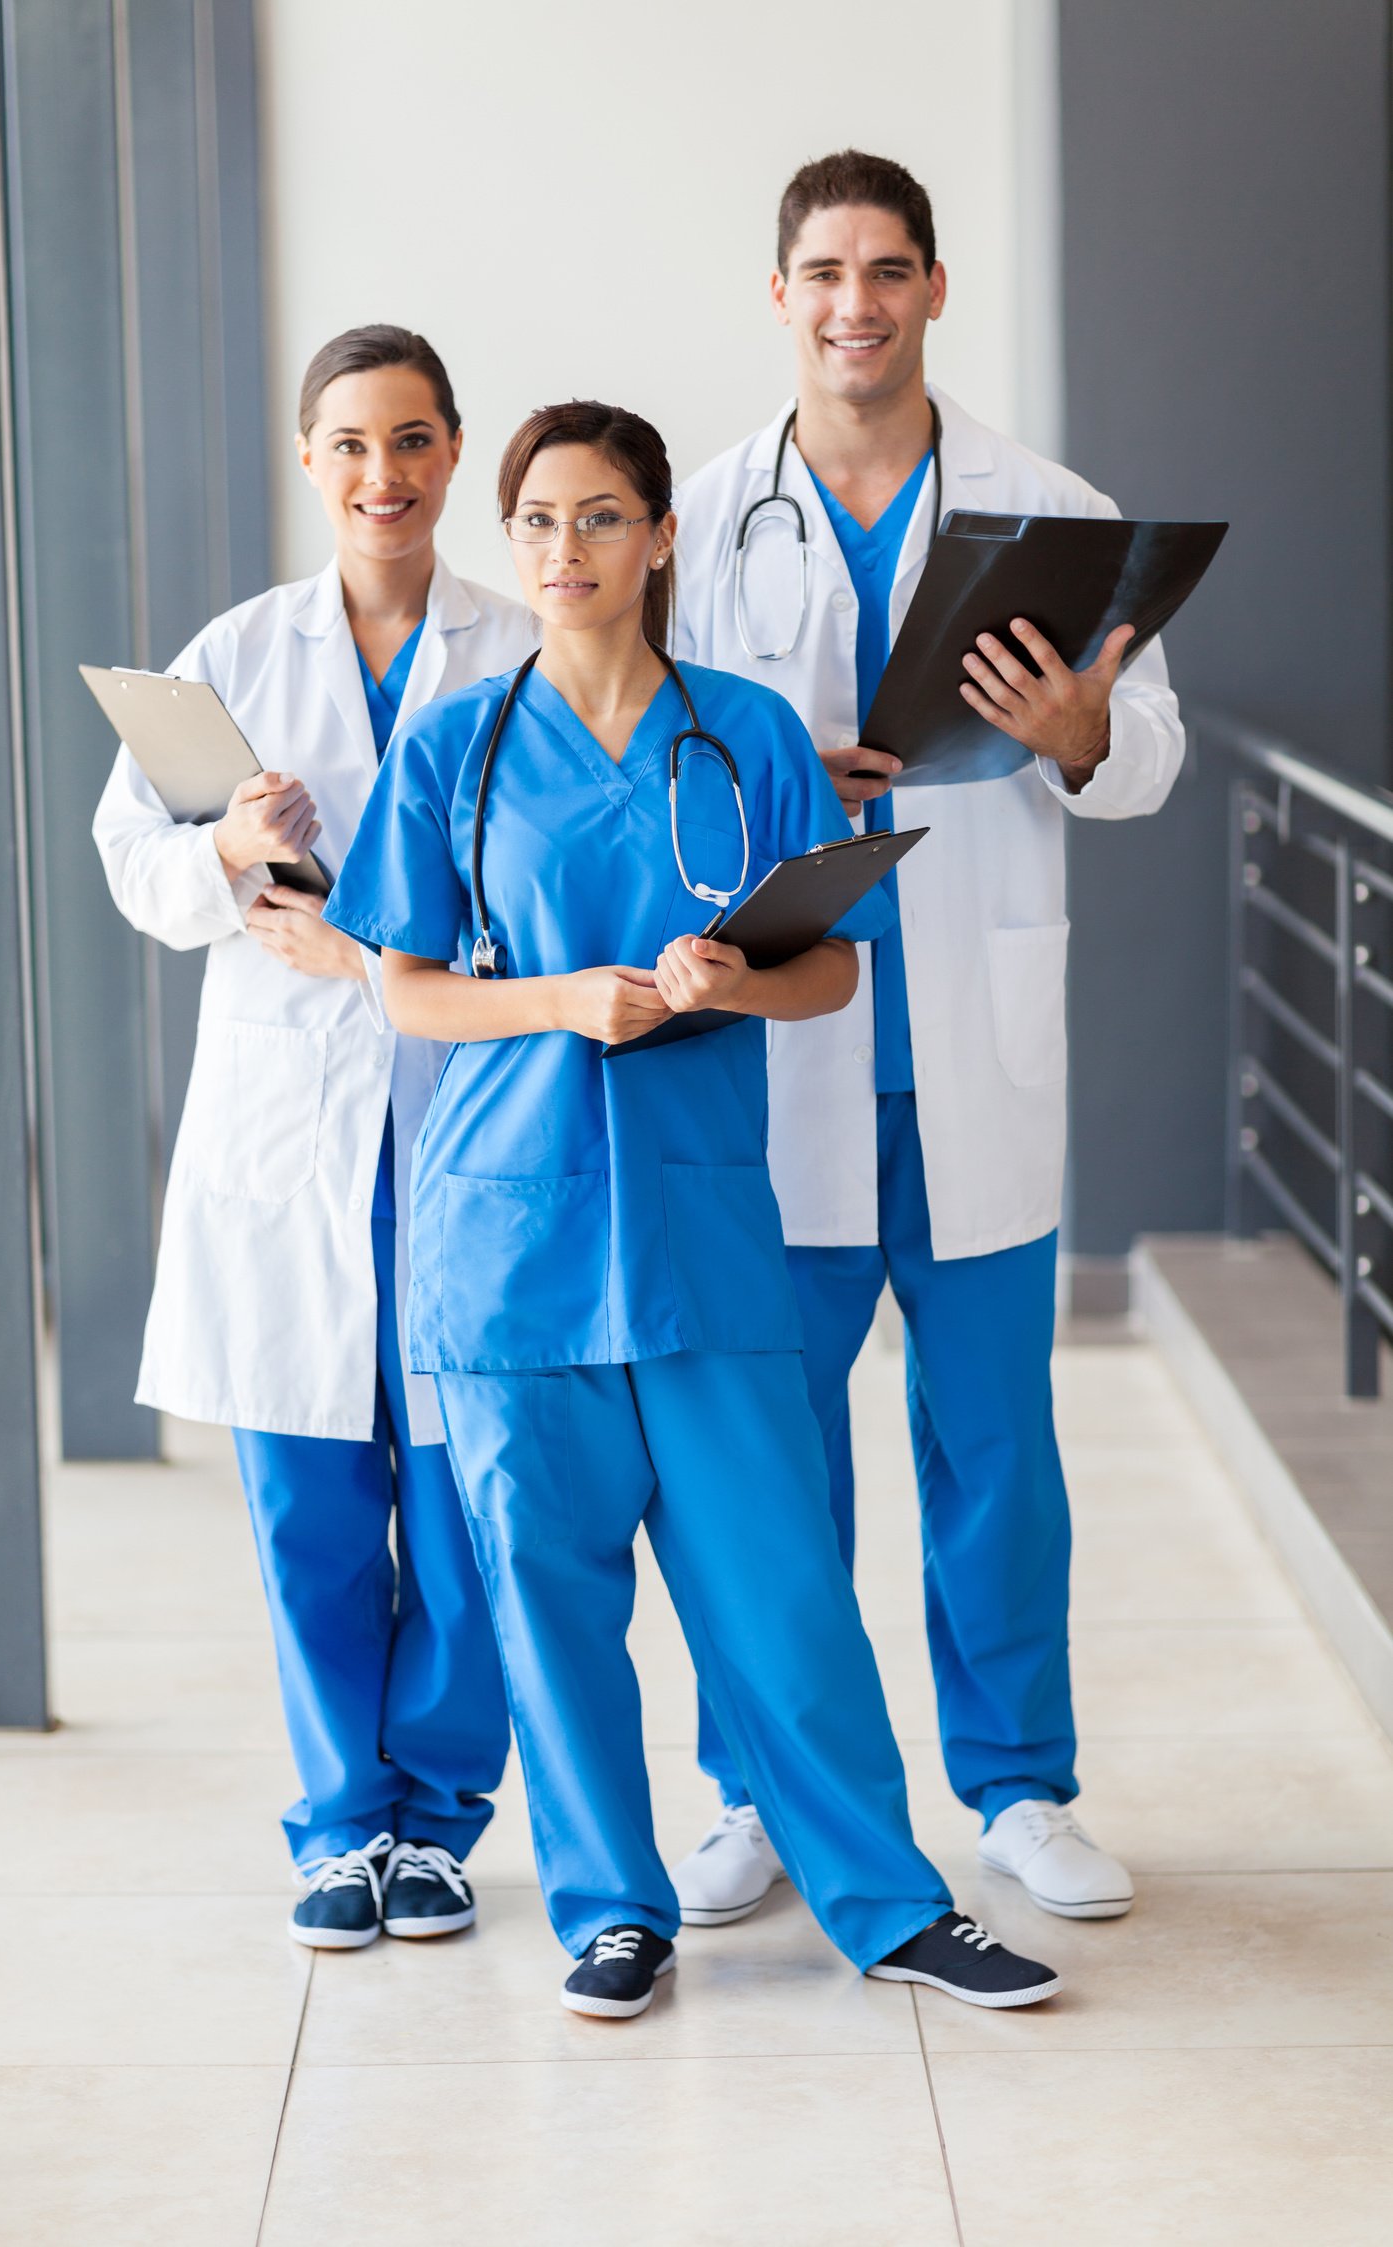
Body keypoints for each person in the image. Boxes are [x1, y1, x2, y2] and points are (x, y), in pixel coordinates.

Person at [325, 398, 1061, 2021]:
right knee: (553, 1598)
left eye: (597, 519)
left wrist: (730, 975)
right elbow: (406, 992)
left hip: (708, 1235)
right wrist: (561, 1002)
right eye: (533, 522)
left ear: (660, 537)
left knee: (780, 1596)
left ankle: (887, 1903)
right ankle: (611, 1912)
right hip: (511, 1245)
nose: (562, 551)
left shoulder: (744, 734)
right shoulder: (459, 746)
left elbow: (828, 972)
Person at [670, 151, 1184, 1928]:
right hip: (783, 1055)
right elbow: (633, 761)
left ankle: (1020, 1789)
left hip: (965, 1055)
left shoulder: (1053, 508)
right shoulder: (700, 515)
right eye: (823, 272)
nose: (855, 304)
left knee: (992, 1450)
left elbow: (1154, 759)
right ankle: (757, 1787)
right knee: (768, 1465)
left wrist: (1077, 733)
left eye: (889, 271)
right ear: (779, 294)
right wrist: (762, 772)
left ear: (936, 290)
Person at [93, 324, 535, 1950]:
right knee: (309, 1503)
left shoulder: (516, 647)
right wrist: (226, 850)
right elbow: (134, 866)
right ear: (308, 460)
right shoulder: (237, 651)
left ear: (452, 453)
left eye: (413, 441)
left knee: (469, 1496)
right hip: (289, 1131)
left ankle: (439, 1823)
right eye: (350, 444)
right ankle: (341, 1826)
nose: (384, 475)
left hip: (470, 1108)